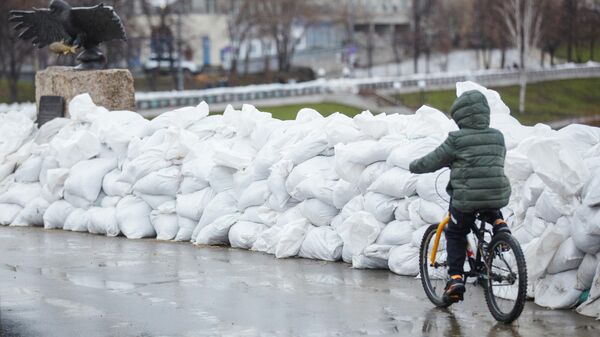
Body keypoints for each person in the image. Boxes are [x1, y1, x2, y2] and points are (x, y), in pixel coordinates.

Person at [409, 90, 512, 304]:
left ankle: (455, 278)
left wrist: (414, 166)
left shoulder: (456, 139)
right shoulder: (498, 136)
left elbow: (433, 160)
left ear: (459, 117)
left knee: (456, 232)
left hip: (465, 201)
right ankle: (500, 225)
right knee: (488, 194)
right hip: (497, 193)